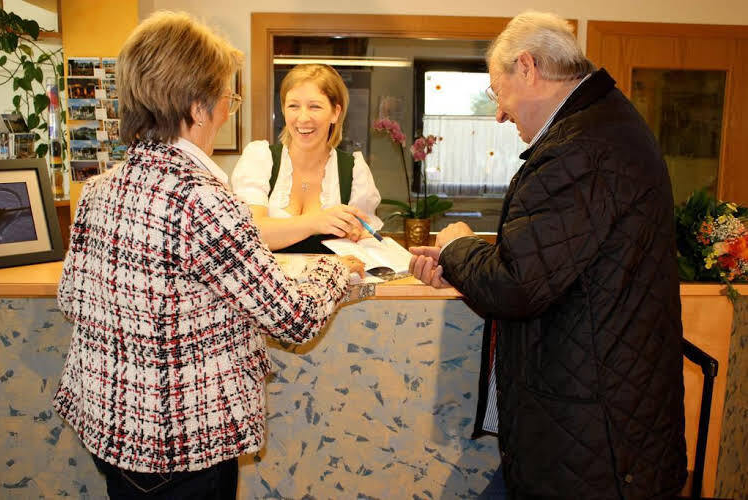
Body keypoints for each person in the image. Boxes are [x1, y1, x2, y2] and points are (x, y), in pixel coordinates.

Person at [52, 12, 364, 499]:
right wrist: (334, 270)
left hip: (110, 428)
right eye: (226, 98)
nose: (226, 110)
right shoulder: (202, 200)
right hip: (181, 443)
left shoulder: (99, 189)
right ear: (199, 107)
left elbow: (71, 299)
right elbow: (294, 318)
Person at [409, 11, 687, 499]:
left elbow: (517, 285)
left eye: (498, 92)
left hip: (595, 438)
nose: (499, 114)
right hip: (600, 422)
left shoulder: (579, 149)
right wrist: (462, 266)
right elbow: (557, 263)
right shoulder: (601, 127)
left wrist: (457, 246)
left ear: (527, 67)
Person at [231, 63, 382, 253]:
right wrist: (315, 222)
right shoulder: (260, 159)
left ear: (335, 113)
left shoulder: (354, 172)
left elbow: (364, 246)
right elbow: (249, 235)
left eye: (315, 106)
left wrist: (359, 237)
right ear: (283, 110)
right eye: (293, 106)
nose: (303, 118)